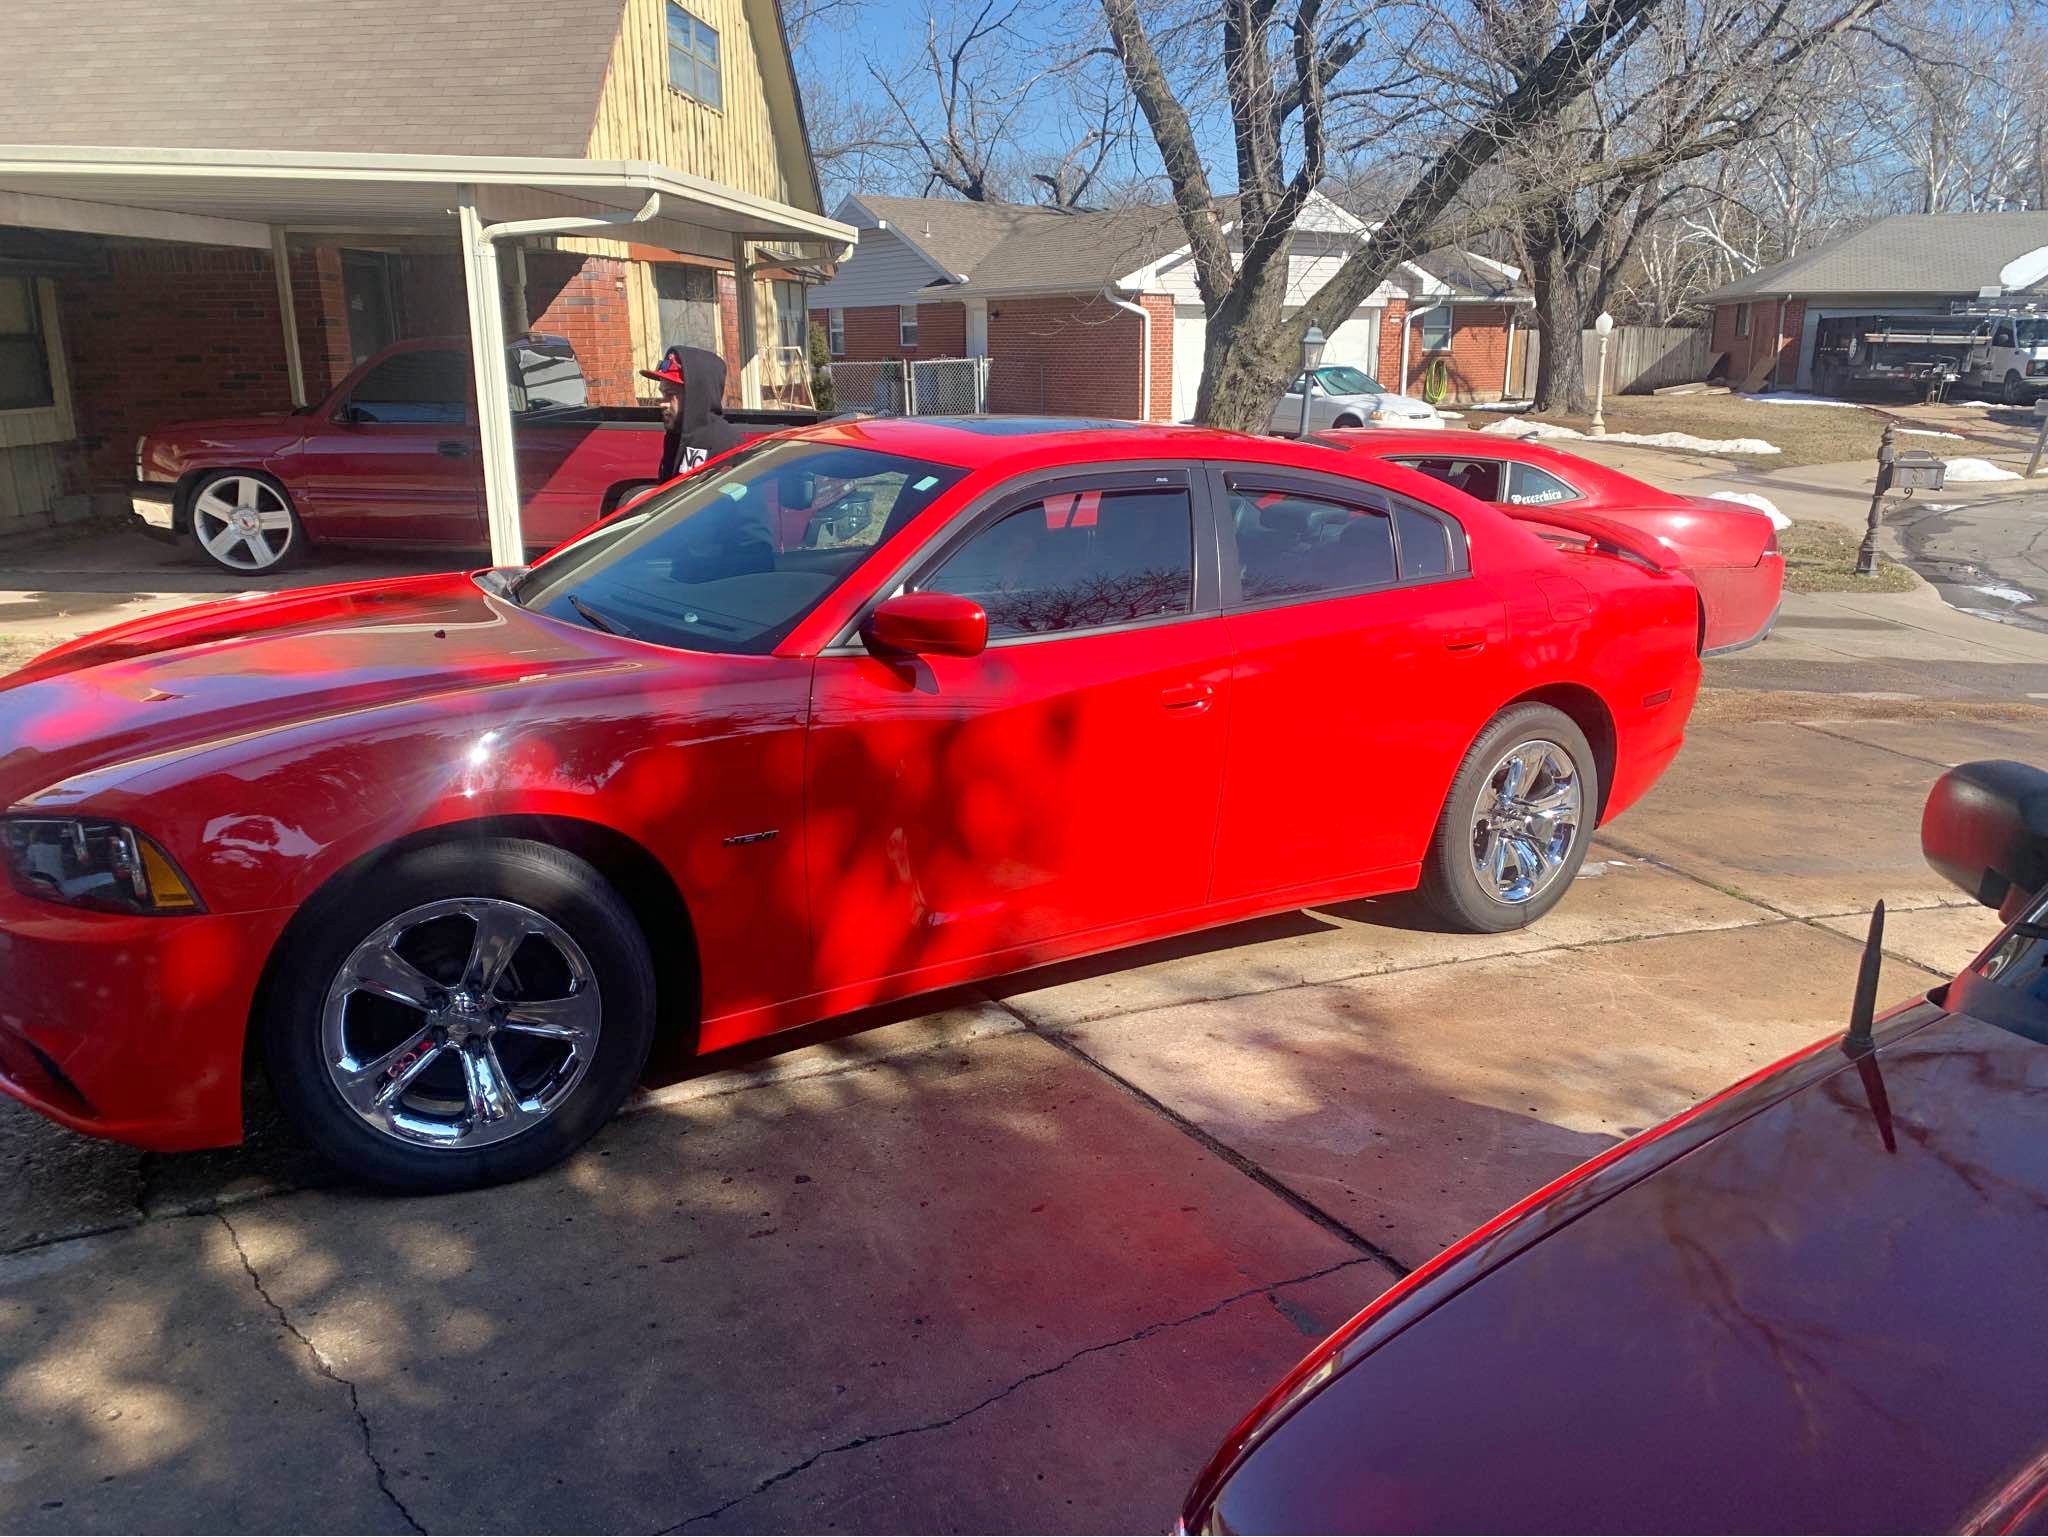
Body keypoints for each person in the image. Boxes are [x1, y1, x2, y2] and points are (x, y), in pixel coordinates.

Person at [643, 345, 748, 481]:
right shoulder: (677, 437)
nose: (662, 403)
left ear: (695, 396)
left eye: (670, 394)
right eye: (663, 393)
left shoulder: (727, 448)